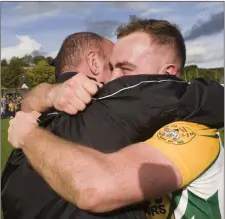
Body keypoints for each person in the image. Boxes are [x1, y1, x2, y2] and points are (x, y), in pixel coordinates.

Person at [7, 17, 224, 219]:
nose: (112, 80)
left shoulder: (193, 133)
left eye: (124, 69)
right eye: (111, 68)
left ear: (167, 75)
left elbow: (94, 188)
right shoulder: (132, 117)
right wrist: (49, 93)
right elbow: (29, 105)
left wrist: (27, 134)